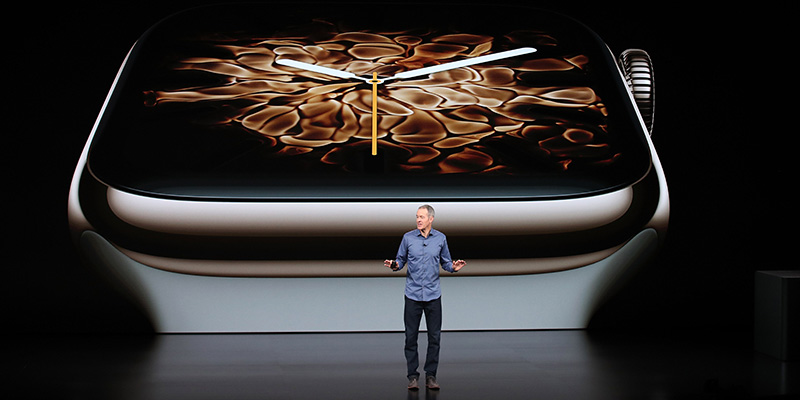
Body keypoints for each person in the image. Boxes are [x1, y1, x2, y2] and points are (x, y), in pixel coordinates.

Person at [384, 204, 466, 390]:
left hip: (433, 295)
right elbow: (400, 261)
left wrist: (453, 268)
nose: (418, 220)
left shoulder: (441, 238)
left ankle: (431, 376)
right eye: (416, 216)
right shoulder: (408, 238)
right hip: (412, 295)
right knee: (410, 337)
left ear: (431, 219)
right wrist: (394, 265)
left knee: (434, 338)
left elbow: (446, 262)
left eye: (421, 217)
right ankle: (412, 377)